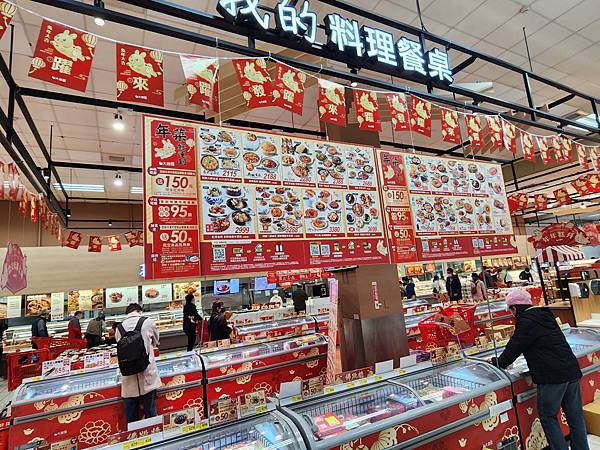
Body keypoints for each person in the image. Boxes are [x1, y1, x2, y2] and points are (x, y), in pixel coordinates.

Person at [490, 290, 588, 450]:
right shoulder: (545, 315)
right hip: (571, 369)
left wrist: (499, 362)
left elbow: (515, 346)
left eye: (511, 310)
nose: (511, 314)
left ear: (515, 308)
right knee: (575, 416)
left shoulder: (526, 321)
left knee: (548, 416)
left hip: (552, 376)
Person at [116, 303, 161, 423]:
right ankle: (152, 432)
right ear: (139, 311)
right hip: (147, 374)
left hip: (128, 377)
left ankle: (133, 433)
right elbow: (156, 341)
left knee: (131, 418)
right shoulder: (148, 322)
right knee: (150, 412)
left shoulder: (119, 327)